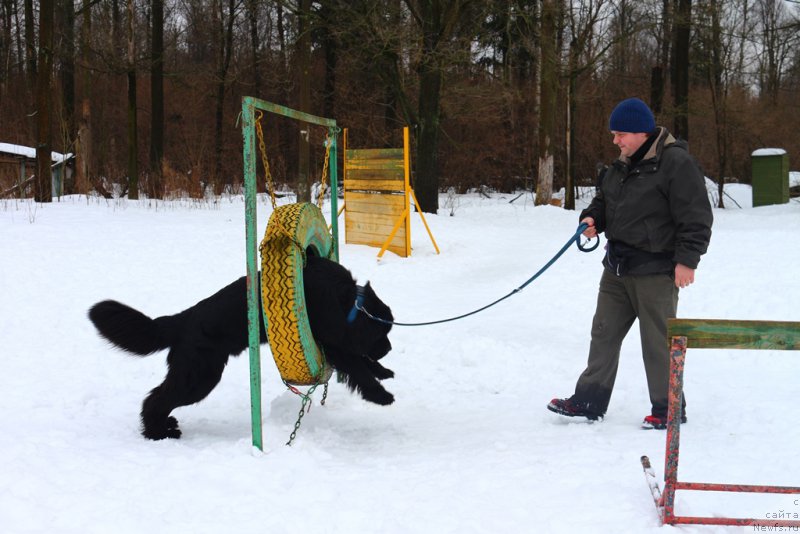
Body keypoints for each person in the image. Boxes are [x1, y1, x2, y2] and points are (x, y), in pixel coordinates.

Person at [547, 97, 713, 429]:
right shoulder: (621, 164)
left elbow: (696, 216)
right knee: (603, 333)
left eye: (620, 134)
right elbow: (603, 201)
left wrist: (687, 260)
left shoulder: (675, 163)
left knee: (658, 342)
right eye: (614, 134)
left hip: (656, 270)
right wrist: (592, 218)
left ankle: (669, 408)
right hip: (617, 267)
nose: (616, 140)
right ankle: (588, 401)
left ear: (641, 132)